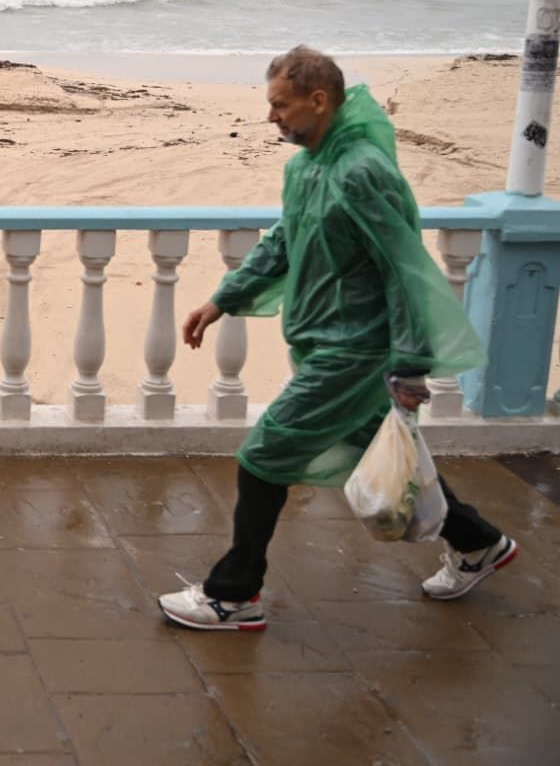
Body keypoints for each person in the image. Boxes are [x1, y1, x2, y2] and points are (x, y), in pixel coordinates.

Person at [158, 46, 518, 632]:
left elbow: (404, 270)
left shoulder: (363, 171)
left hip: (358, 350)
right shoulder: (305, 168)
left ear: (318, 100)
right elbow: (281, 243)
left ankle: (235, 593)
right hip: (323, 342)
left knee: (263, 456)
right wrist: (222, 299)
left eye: (280, 104)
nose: (271, 116)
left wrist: (409, 365)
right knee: (380, 447)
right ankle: (479, 543)